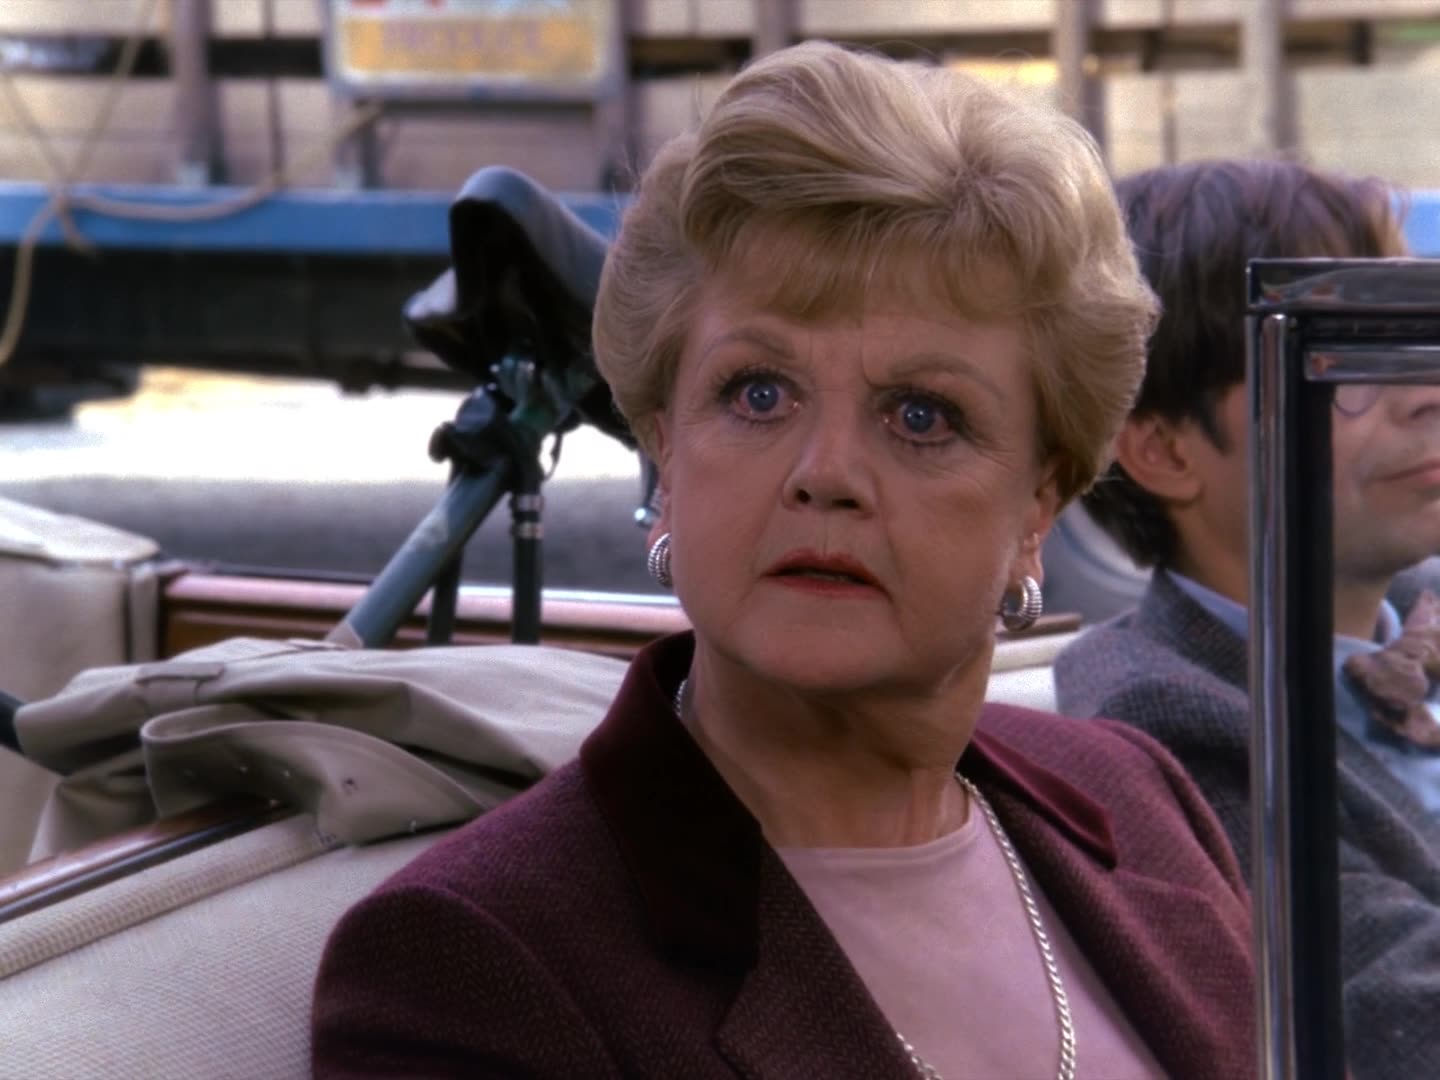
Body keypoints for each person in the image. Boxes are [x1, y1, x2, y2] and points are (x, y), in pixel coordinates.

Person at [311, 42, 1254, 1078]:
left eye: (921, 415)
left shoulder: (1139, 795)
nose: (826, 473)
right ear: (667, 454)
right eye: (758, 393)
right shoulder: (467, 966)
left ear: (1039, 503)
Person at [1056, 158, 1440, 1080]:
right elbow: (1401, 1017)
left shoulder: (1412, 625)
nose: (1426, 389)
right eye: (1345, 357)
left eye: (1412, 337)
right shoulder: (1172, 727)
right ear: (1163, 449)